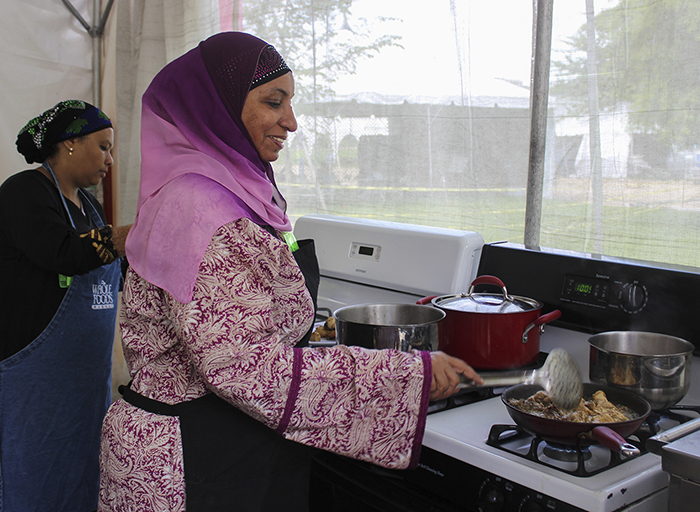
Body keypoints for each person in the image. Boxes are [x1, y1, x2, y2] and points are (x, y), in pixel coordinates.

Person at [98, 32, 482, 512]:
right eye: (273, 102)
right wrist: (406, 374)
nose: (292, 122)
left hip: (191, 442)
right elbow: (246, 369)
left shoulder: (211, 191)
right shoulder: (204, 209)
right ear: (215, 107)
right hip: (192, 460)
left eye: (291, 103)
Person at [0, 100, 132, 511]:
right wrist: (132, 234)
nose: (110, 159)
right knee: (33, 483)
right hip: (35, 386)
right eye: (104, 146)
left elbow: (116, 272)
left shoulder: (89, 206)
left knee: (82, 482)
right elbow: (63, 253)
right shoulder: (24, 191)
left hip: (86, 388)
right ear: (71, 143)